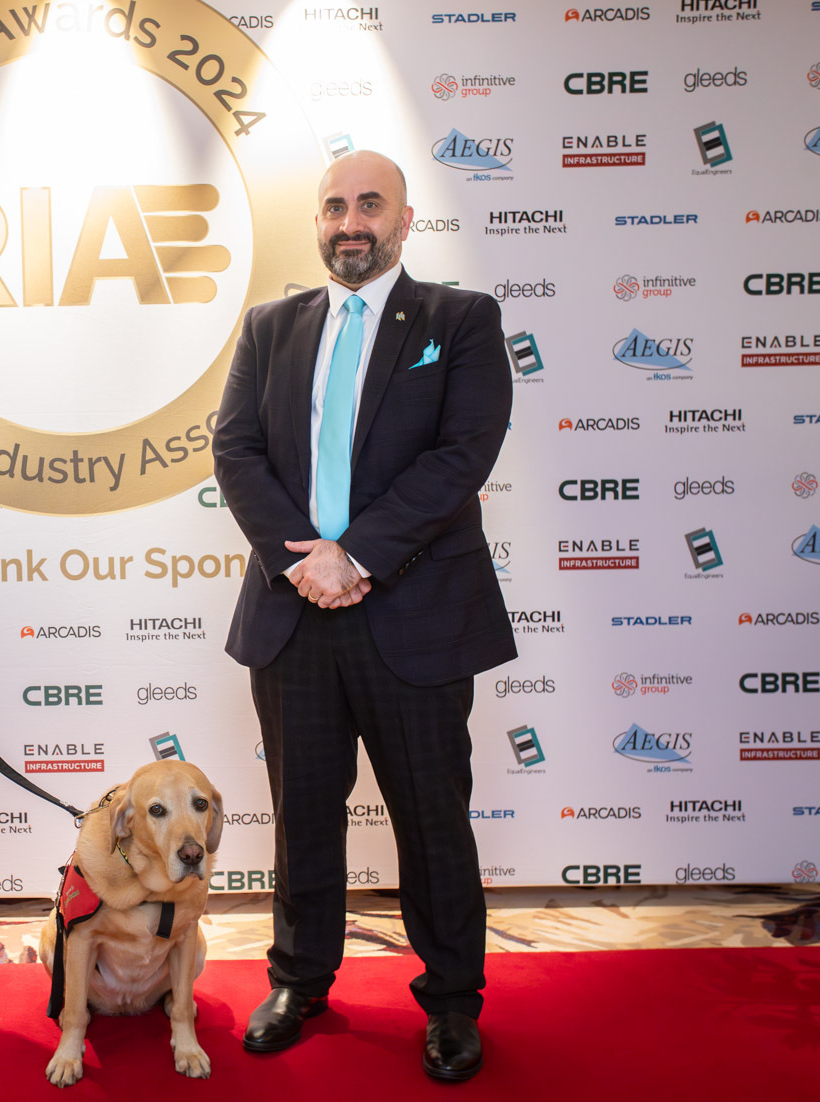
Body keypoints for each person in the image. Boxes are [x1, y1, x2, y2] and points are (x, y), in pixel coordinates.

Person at [212, 151, 515, 1081]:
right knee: (303, 813)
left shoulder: (459, 321)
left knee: (432, 816)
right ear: (316, 220)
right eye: (335, 205)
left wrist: (358, 555)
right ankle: (301, 980)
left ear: (404, 219)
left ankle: (453, 1001)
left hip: (415, 613)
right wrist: (305, 562)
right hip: (293, 613)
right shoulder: (269, 327)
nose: (351, 221)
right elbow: (236, 449)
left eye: (369, 205)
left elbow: (461, 454)